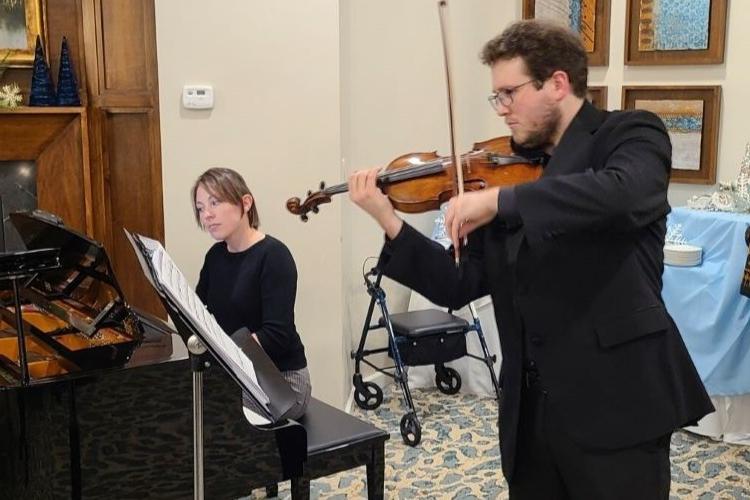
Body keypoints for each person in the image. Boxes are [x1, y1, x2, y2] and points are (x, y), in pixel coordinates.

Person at [349, 19, 713, 499]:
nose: (501, 109)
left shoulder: (628, 134)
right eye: (495, 96)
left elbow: (624, 194)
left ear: (557, 83)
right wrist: (388, 221)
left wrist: (501, 203)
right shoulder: (503, 174)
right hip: (530, 411)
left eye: (509, 93)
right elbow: (459, 283)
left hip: (617, 402)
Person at [192, 167, 311, 420]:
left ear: (245, 202)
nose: (207, 215)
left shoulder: (274, 256)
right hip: (239, 373)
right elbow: (198, 313)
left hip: (282, 383)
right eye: (201, 208)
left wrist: (225, 355)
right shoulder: (215, 257)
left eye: (215, 202)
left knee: (211, 414)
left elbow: (277, 335)